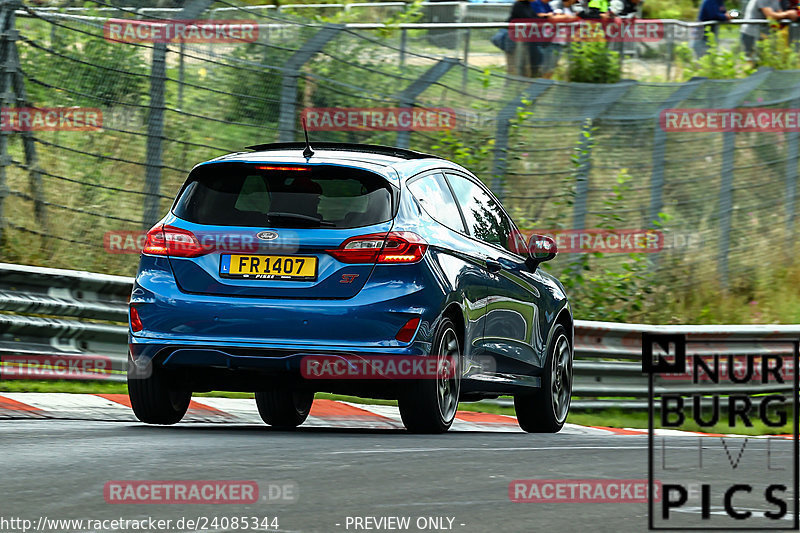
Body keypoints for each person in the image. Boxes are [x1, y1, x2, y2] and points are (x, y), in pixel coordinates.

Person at [508, 0, 546, 77]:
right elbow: (527, 19)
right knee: (516, 65)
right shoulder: (519, 5)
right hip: (515, 39)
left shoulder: (528, 5)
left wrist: (544, 19)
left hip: (525, 39)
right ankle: (514, 85)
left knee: (525, 64)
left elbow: (534, 18)